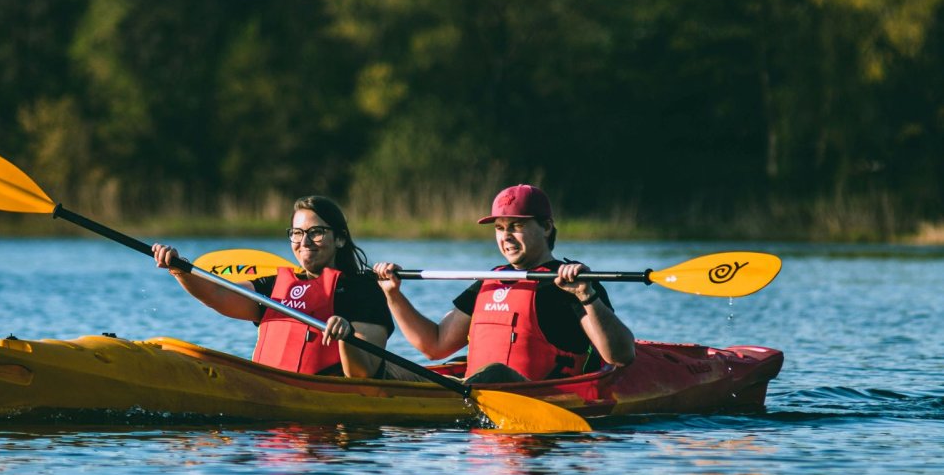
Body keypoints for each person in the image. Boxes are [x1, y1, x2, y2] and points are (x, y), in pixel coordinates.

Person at [373, 184, 636, 383]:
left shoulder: (572, 282)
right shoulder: (489, 280)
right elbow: (435, 345)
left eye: (516, 226)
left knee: (494, 372)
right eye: (500, 228)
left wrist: (586, 294)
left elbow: (620, 356)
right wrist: (393, 295)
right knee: (381, 368)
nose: (506, 237)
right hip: (473, 393)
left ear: (546, 227)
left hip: (532, 396)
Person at [152, 195, 394, 378]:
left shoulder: (362, 290)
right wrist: (180, 269)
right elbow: (218, 294)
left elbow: (364, 373)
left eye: (316, 232)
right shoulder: (275, 284)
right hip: (267, 391)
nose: (305, 242)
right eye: (297, 233)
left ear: (340, 238)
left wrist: (347, 335)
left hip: (327, 412)